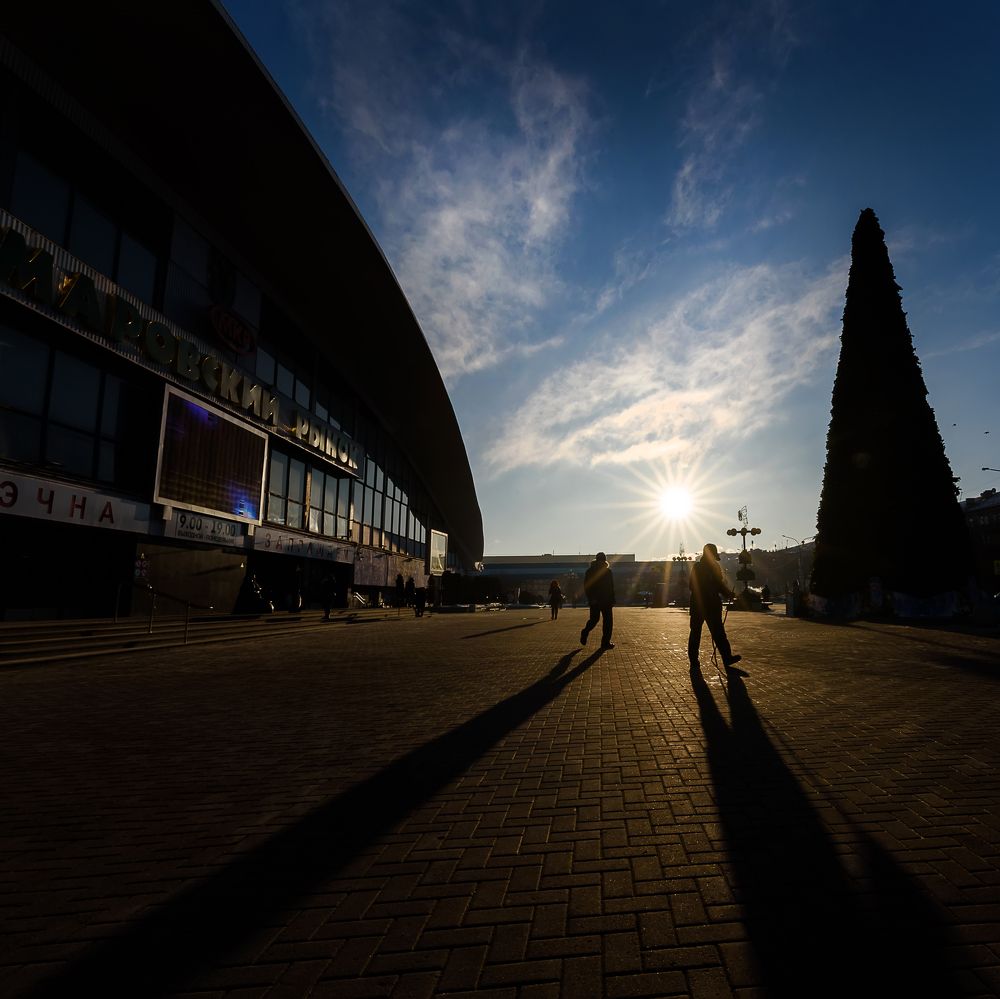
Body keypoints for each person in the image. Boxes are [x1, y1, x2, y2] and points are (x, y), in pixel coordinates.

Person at [689, 543, 741, 670]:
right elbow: (692, 585)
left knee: (718, 633)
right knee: (698, 633)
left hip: (707, 605)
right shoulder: (698, 567)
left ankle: (727, 657)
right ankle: (694, 661)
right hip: (701, 605)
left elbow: (719, 585)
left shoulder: (713, 567)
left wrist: (728, 593)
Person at [580, 552, 615, 649]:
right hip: (596, 600)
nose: (601, 562)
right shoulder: (590, 571)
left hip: (607, 600)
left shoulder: (608, 572)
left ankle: (605, 643)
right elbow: (587, 586)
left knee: (608, 622)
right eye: (600, 560)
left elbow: (611, 587)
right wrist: (591, 598)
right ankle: (585, 631)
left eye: (602, 560)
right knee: (594, 620)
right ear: (597, 560)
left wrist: (612, 599)